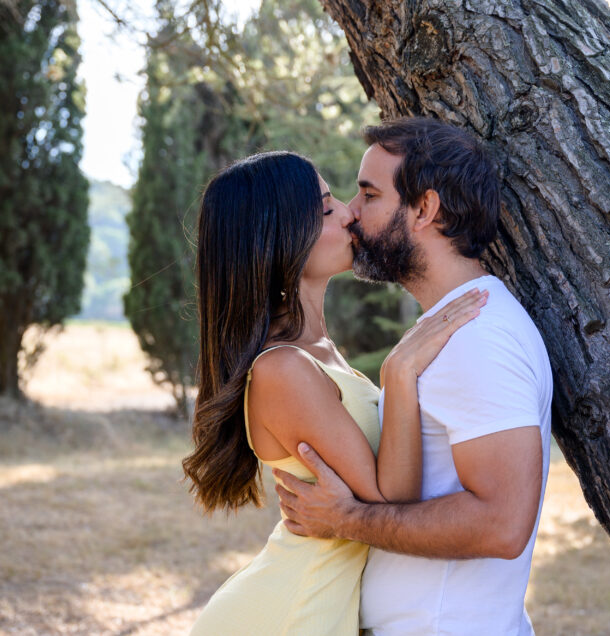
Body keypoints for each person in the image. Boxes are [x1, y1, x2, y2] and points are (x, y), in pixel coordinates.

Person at [183, 150, 488, 635]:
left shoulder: (316, 351)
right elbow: (393, 499)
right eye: (327, 209)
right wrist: (400, 372)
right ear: (282, 239)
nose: (349, 212)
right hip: (289, 613)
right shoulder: (283, 369)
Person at [274, 118, 554, 635]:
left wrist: (345, 520)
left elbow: (503, 521)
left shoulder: (478, 338)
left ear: (424, 209)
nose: (350, 215)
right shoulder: (450, 330)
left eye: (368, 194)